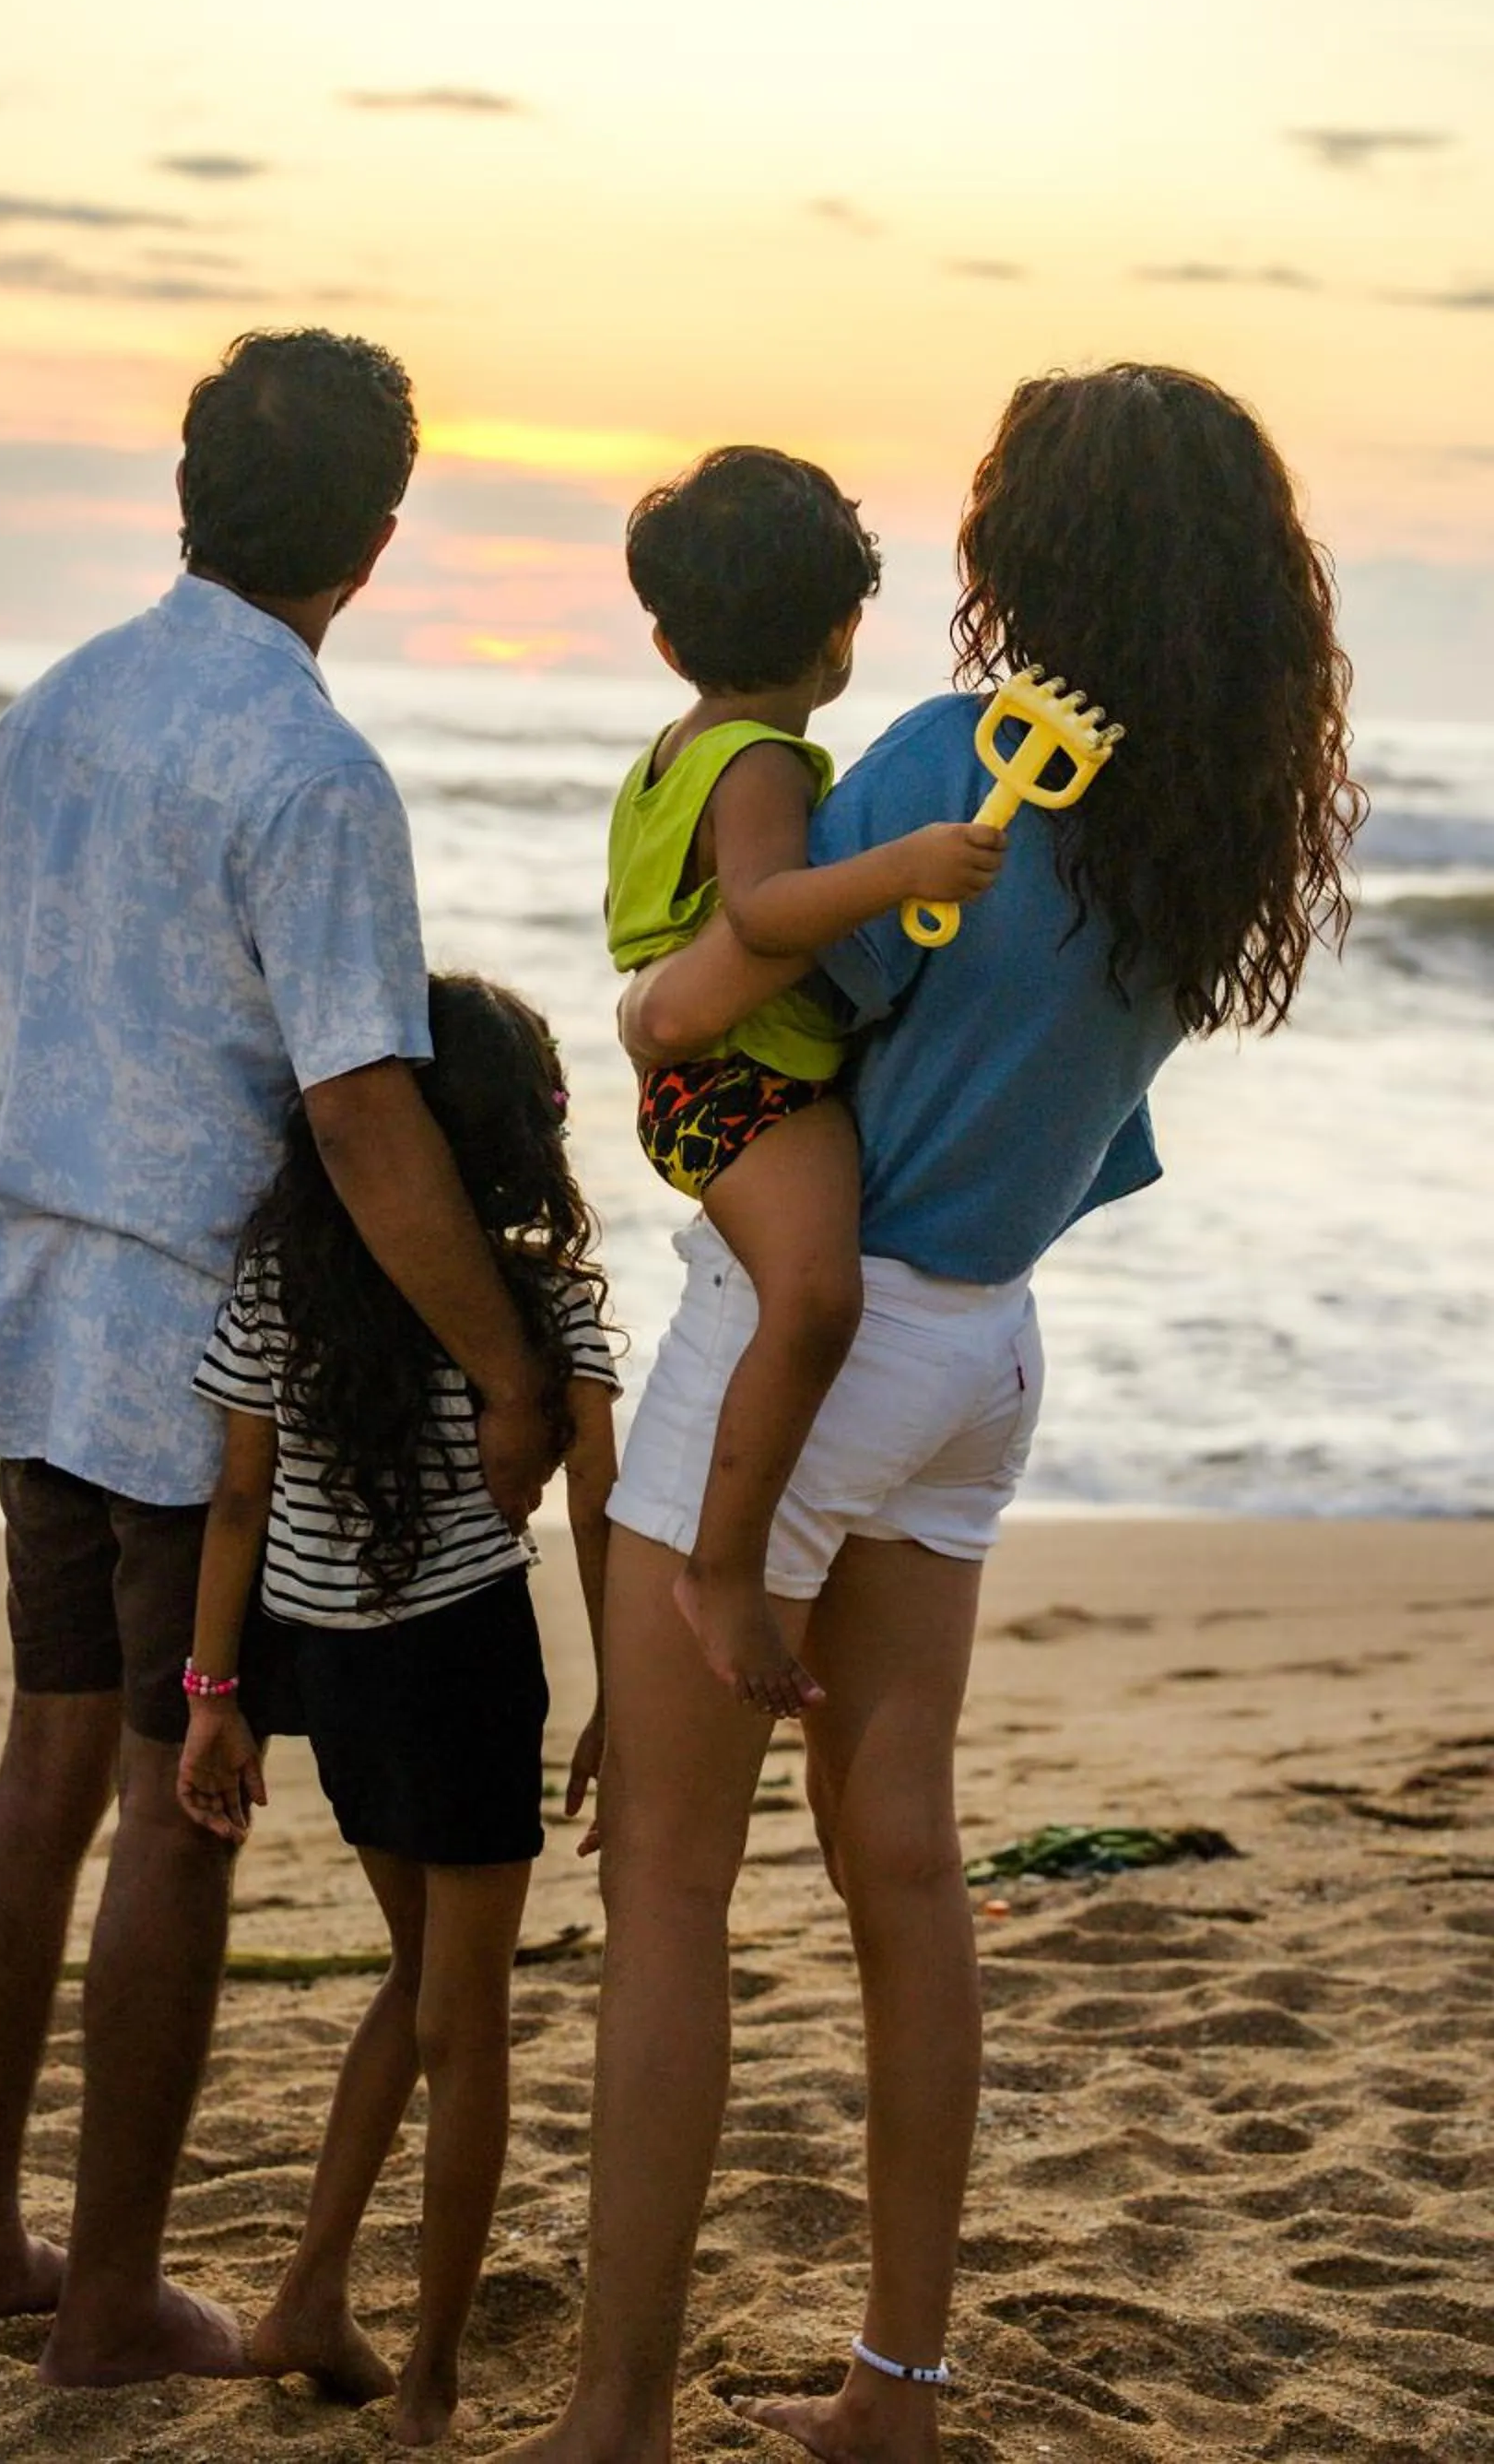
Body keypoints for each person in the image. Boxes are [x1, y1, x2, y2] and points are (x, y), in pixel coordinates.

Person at [511, 364, 1363, 2464]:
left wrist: (639, 1004)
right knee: (901, 1863)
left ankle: (614, 2418)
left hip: (805, 1349)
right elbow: (1077, 1122)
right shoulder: (1205, 817)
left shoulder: (960, 758)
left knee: (668, 1894)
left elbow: (703, 1005)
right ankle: (895, 2389)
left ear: (1033, 545)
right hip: (979, 1355)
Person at [0, 331, 558, 2388]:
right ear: (378, 535)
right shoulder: (310, 772)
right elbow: (361, 1112)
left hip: (38, 1318)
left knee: (39, 1777)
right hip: (203, 1370)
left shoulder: (41, 721)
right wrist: (504, 1369)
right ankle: (105, 2301)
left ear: (188, 492)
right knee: (176, 1806)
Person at [177, 972, 619, 2445]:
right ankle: (431, 2377)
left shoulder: (284, 1280)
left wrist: (215, 1697)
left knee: (418, 1974)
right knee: (467, 2018)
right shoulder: (536, 1298)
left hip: (328, 1664)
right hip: (464, 1659)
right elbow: (596, 1505)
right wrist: (622, 1693)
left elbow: (237, 1501)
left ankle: (311, 2294)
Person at [607, 447, 1003, 1715]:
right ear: (843, 636)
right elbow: (766, 913)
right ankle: (724, 1569)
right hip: (746, 1088)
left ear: (669, 643)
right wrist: (905, 868)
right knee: (820, 1301)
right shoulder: (763, 762)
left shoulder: (673, 751)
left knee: (814, 1299)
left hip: (709, 1085)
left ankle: (726, 1560)